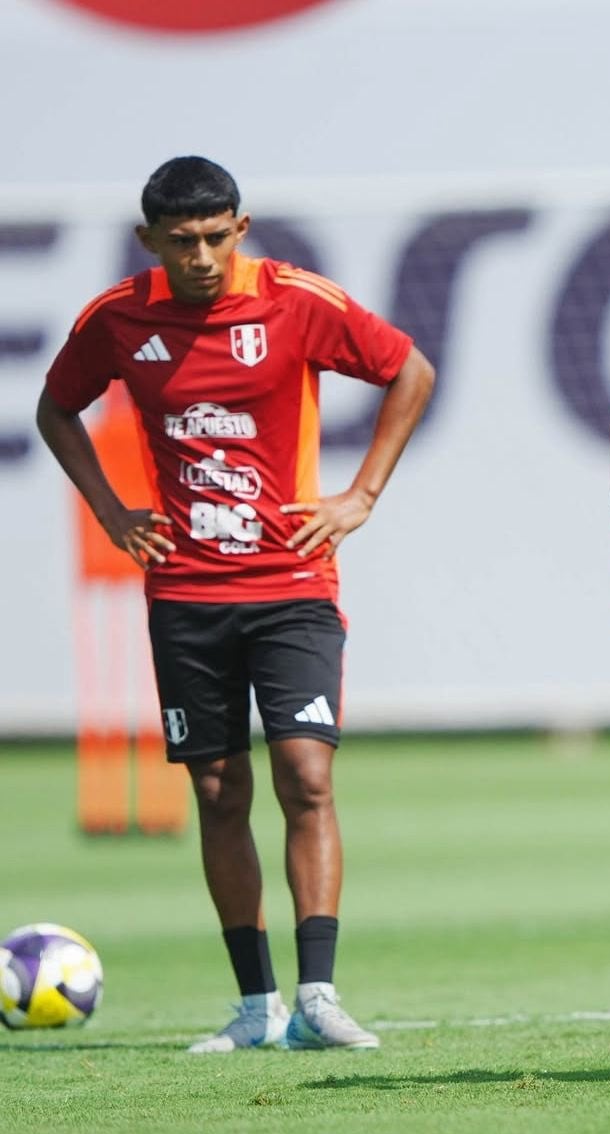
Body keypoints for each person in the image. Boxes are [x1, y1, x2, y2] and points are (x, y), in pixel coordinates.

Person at [37, 156, 435, 1053]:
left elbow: (409, 370)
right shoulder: (117, 319)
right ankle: (255, 1007)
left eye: (218, 237)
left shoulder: (297, 301)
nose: (205, 257)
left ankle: (320, 997)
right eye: (184, 243)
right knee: (218, 792)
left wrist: (358, 497)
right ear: (151, 242)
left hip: (293, 585)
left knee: (307, 776)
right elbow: (56, 410)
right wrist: (110, 511)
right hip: (185, 591)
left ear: (241, 229)